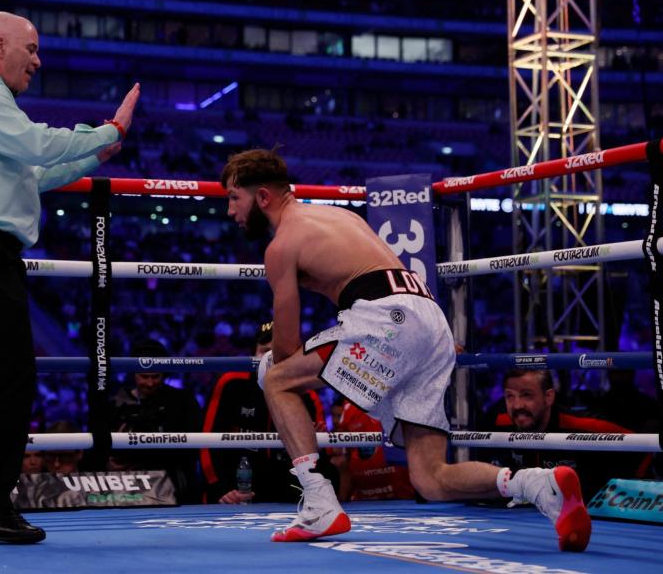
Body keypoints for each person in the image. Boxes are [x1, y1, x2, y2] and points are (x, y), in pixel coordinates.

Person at [220, 148, 591, 551]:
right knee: (429, 478)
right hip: (429, 319)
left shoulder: (282, 246)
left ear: (262, 198)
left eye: (233, 198)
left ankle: (319, 503)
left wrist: (274, 364)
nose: (229, 211)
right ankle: (535, 484)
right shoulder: (337, 216)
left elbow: (287, 348)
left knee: (276, 379)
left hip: (387, 319)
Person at [0, 10, 140, 544]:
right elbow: (35, 145)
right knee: (7, 378)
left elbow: (36, 174)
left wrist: (95, 150)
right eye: (32, 49)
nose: (38, 61)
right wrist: (105, 130)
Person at [200, 321, 334, 504]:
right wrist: (220, 488)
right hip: (235, 488)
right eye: (264, 351)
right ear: (253, 353)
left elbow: (325, 458)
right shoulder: (231, 384)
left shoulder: (308, 395)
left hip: (286, 493)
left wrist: (317, 447)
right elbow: (206, 440)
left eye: (278, 353)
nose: (271, 359)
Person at [484, 369, 650, 499]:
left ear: (548, 397)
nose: (517, 405)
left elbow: (645, 446)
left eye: (527, 395)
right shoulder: (499, 422)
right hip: (522, 518)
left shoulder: (585, 427)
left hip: (591, 522)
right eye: (510, 396)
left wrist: (624, 498)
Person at [108, 339, 202, 503]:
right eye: (144, 376)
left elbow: (193, 449)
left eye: (155, 377)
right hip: (127, 484)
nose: (150, 383)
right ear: (134, 374)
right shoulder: (116, 404)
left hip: (174, 483)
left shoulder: (183, 401)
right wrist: (110, 462)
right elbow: (100, 446)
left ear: (164, 374)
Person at [330, 398, 416, 502]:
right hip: (363, 499)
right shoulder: (349, 409)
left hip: (406, 496)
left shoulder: (403, 401)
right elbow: (344, 461)